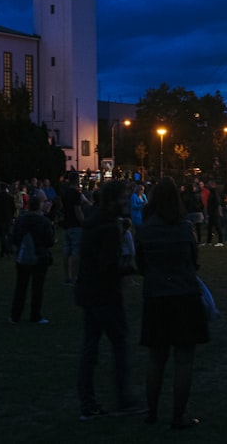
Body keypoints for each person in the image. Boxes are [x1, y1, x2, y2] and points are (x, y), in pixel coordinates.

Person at [135, 178, 208, 430]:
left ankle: (152, 412)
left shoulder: (144, 231)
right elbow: (193, 260)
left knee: (156, 359)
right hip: (184, 297)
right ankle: (179, 415)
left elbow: (140, 265)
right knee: (184, 360)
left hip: (156, 298)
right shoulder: (184, 228)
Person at [75, 180, 145, 420]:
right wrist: (128, 269)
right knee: (119, 345)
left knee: (90, 349)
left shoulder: (93, 222)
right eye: (123, 198)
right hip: (105, 295)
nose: (127, 202)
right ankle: (124, 399)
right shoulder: (110, 228)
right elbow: (107, 266)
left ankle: (87, 402)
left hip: (88, 293)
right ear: (113, 201)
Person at [9, 195, 55, 324]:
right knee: (37, 287)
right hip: (40, 257)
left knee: (21, 287)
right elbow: (49, 241)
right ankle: (35, 315)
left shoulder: (21, 220)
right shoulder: (43, 221)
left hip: (23, 256)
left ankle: (15, 315)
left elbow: (15, 237)